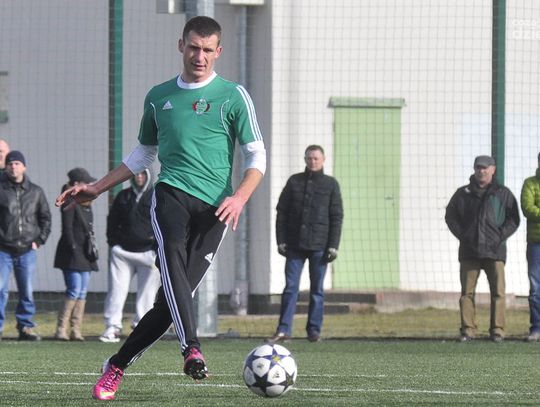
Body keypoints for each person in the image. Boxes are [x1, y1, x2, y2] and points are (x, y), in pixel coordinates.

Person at [55, 16, 266, 401]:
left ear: (218, 52)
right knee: (172, 268)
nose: (199, 56)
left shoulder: (233, 96)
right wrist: (97, 188)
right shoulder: (159, 97)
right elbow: (143, 154)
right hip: (171, 195)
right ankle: (192, 349)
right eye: (193, 47)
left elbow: (257, 156)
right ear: (181, 45)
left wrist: (239, 197)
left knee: (171, 301)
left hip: (216, 210)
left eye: (207, 50)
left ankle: (116, 365)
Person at [267, 145, 343, 344]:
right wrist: (281, 240)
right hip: (294, 245)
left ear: (323, 160)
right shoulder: (294, 181)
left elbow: (336, 217)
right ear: (305, 159)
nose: (313, 162)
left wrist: (333, 246)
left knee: (317, 290)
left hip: (320, 247)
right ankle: (284, 330)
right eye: (309, 158)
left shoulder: (331, 185)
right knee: (290, 288)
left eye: (316, 158)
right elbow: (281, 212)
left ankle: (314, 331)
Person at [445, 155, 520, 343]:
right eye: (478, 167)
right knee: (467, 293)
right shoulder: (462, 194)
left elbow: (513, 219)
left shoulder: (503, 193)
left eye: (485, 168)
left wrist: (500, 236)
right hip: (469, 251)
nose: (481, 171)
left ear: (493, 169)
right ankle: (468, 330)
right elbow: (450, 216)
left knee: (498, 292)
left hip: (495, 251)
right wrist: (464, 235)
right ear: (474, 169)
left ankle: (497, 331)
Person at [99, 169, 161, 343]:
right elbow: (112, 221)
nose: (139, 177)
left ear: (148, 176)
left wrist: (156, 247)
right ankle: (112, 327)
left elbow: (163, 221)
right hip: (123, 254)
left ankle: (141, 328)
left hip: (148, 253)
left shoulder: (156, 196)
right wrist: (114, 243)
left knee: (147, 294)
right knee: (116, 291)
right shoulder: (123, 196)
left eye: (142, 174)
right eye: (136, 174)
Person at [0, 151, 51, 341]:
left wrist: (39, 240)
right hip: (3, 250)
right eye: (10, 164)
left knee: (27, 291)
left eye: (17, 163)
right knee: (0, 290)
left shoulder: (36, 192)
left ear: (24, 167)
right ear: (6, 167)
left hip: (27, 250)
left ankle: (25, 327)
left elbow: (45, 218)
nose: (13, 167)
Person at [53, 168, 98, 341]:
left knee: (82, 292)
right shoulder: (69, 203)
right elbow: (67, 230)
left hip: (86, 255)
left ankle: (76, 330)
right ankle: (61, 329)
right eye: (86, 183)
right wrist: (73, 248)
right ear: (76, 184)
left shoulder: (87, 205)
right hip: (72, 254)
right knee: (74, 290)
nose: (89, 186)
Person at [521, 152, 540, 342]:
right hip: (536, 244)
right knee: (536, 287)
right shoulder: (530, 183)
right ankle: (537, 328)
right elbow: (528, 208)